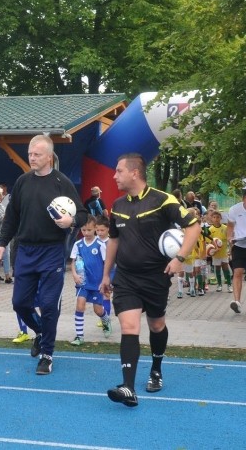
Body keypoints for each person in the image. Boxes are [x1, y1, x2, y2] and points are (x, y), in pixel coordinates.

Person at [100, 153, 200, 407]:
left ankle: (156, 368)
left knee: (156, 326)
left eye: (118, 171)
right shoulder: (118, 205)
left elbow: (194, 226)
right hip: (126, 278)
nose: (114, 175)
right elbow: (113, 240)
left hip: (156, 277)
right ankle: (128, 387)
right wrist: (105, 274)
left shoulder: (162, 200)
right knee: (129, 328)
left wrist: (180, 258)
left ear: (134, 173)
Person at [0, 134, 87, 375]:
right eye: (29, 154)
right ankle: (41, 332)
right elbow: (12, 217)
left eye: (36, 154)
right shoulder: (22, 182)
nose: (32, 158)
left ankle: (47, 354)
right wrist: (2, 243)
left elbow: (83, 214)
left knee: (48, 305)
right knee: (19, 303)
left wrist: (72, 220)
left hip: (52, 252)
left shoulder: (61, 182)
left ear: (49, 157)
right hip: (24, 251)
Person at [69, 216, 111, 345]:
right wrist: (75, 275)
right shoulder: (78, 244)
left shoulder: (100, 245)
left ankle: (106, 320)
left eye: (89, 230)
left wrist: (105, 279)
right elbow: (73, 261)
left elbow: (106, 263)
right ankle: (79, 336)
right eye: (83, 230)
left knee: (98, 310)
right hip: (83, 283)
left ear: (95, 229)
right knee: (80, 305)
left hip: (97, 283)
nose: (86, 233)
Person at [207, 210, 231, 292]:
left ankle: (229, 285)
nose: (216, 219)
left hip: (224, 252)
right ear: (211, 219)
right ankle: (219, 285)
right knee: (217, 268)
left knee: (225, 267)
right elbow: (209, 241)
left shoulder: (225, 228)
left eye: (218, 217)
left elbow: (229, 239)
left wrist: (230, 249)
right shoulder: (210, 229)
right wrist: (212, 248)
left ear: (221, 218)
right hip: (216, 253)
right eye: (214, 217)